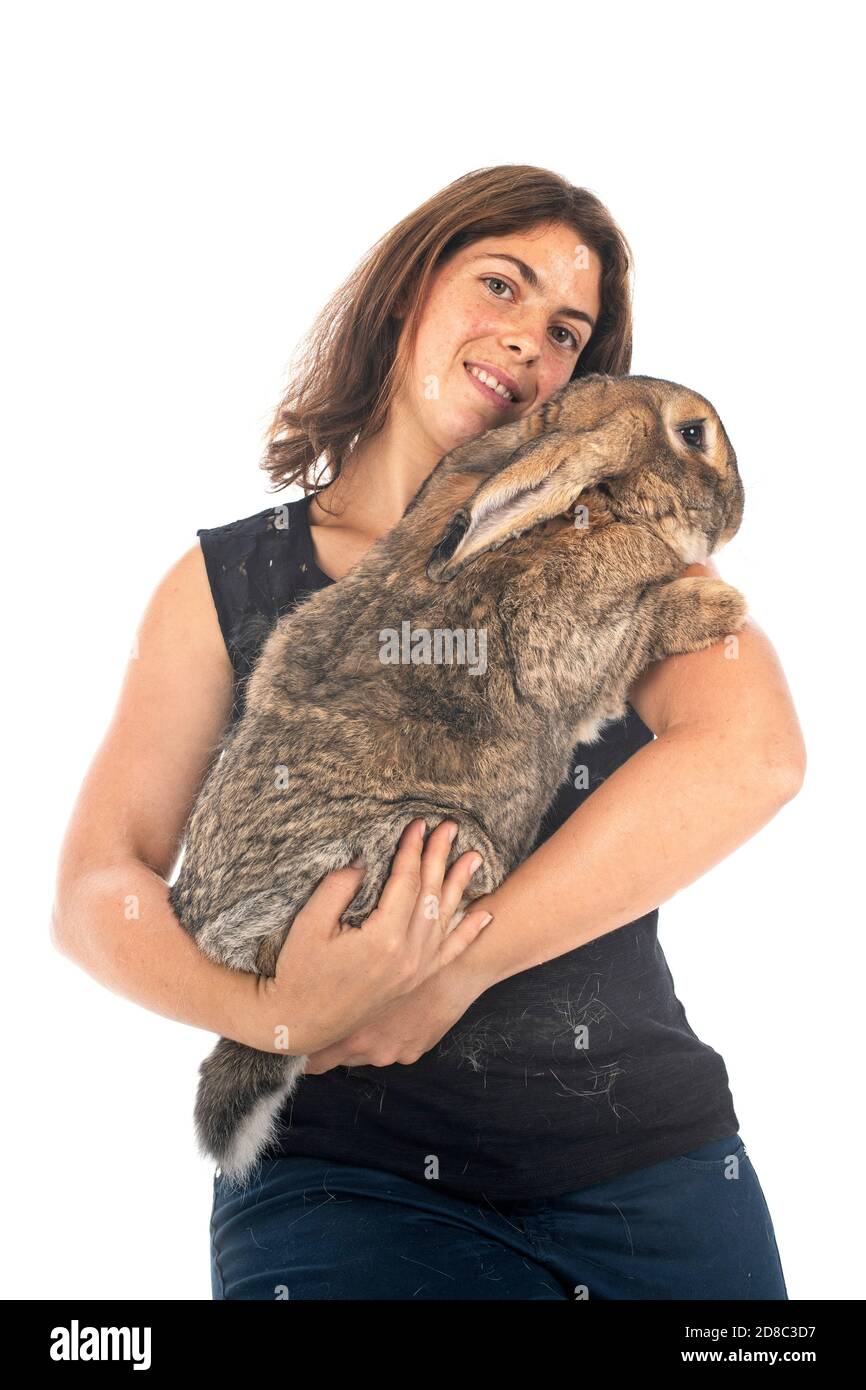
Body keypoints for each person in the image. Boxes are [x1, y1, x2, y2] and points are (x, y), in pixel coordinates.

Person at [51, 165, 805, 1300]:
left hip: (654, 1170)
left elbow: (753, 758)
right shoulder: (224, 584)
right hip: (347, 1183)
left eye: (565, 331)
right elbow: (96, 887)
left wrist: (453, 966)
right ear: (411, 292)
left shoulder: (616, 553)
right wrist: (274, 1010)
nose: (524, 343)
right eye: (497, 286)